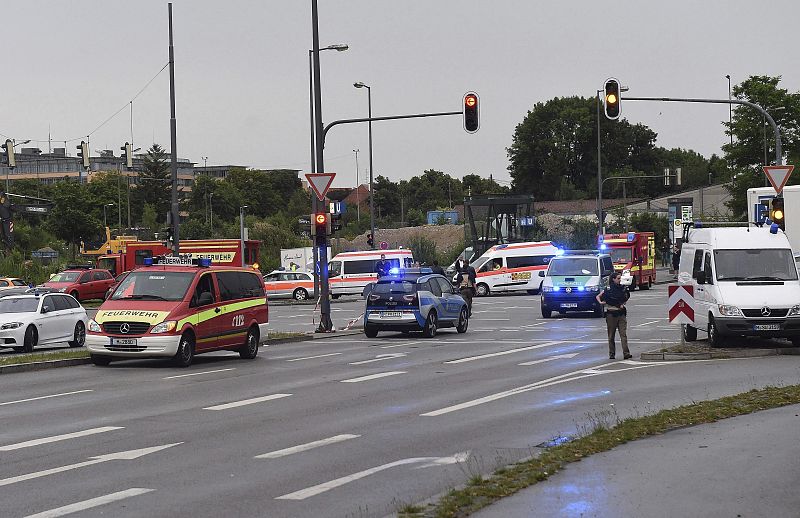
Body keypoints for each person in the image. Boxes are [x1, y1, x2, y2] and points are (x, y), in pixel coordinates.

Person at [596, 271, 631, 360]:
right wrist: (601, 302)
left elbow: (626, 297)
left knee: (623, 334)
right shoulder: (608, 289)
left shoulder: (622, 288)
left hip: (621, 313)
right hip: (611, 314)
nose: (620, 280)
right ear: (613, 279)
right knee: (611, 335)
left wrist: (623, 301)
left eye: (620, 278)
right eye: (618, 278)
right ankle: (612, 353)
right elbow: (598, 296)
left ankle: (626, 353)